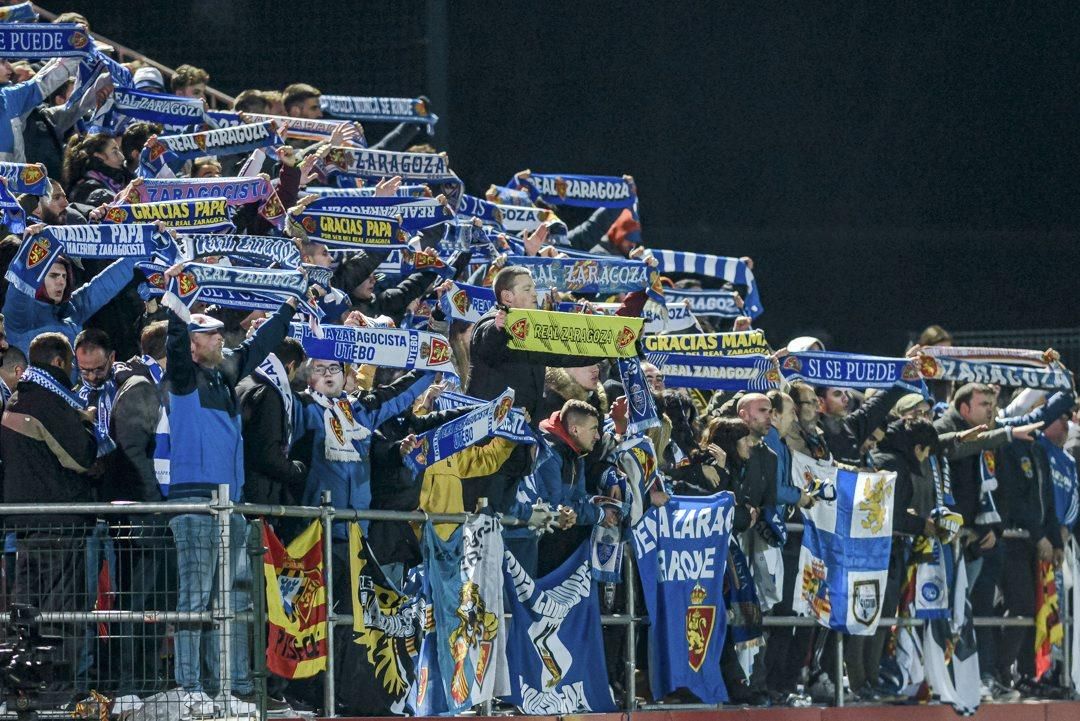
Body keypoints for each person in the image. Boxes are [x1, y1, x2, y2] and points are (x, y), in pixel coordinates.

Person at [161, 270, 299, 715]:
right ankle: (189, 687)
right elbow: (175, 347)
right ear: (196, 343)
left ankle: (234, 686)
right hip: (197, 503)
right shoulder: (183, 377)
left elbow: (258, 346)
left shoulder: (225, 375)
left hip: (230, 506)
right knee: (197, 600)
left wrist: (290, 309)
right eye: (213, 335)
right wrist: (178, 307)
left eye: (220, 334)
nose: (222, 340)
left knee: (234, 600)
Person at [2, 332, 98, 695]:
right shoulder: (49, 403)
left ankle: (21, 692)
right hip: (59, 525)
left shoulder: (15, 399)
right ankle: (57, 693)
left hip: (24, 528)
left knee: (26, 614)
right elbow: (82, 457)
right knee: (61, 616)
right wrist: (87, 424)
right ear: (59, 362)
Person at [505, 399, 612, 576]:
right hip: (518, 537)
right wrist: (597, 514)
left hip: (533, 538)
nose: (598, 436)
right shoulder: (550, 453)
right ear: (575, 429)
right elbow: (554, 505)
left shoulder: (577, 454)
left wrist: (595, 508)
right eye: (594, 429)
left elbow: (579, 498)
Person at [236, 338, 308, 507]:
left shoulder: (245, 380)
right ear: (290, 366)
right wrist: (296, 470)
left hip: (239, 485)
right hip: (257, 494)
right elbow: (266, 453)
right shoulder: (269, 392)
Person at [63, 133, 131, 205]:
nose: (122, 157)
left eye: (119, 150)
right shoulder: (88, 189)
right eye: (114, 152)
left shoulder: (123, 178)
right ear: (99, 156)